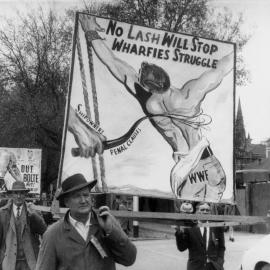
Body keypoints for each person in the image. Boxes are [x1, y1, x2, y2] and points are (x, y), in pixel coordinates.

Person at [79, 15, 233, 202]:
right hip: (210, 165)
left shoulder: (149, 102)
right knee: (202, 226)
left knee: (189, 227)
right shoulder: (190, 93)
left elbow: (112, 62)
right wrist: (236, 51)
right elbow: (222, 69)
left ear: (148, 87)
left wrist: (90, 31)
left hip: (186, 171)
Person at [35, 173, 137, 270]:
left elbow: (129, 259)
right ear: (66, 202)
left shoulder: (107, 224)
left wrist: (112, 231)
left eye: (86, 195)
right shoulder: (52, 234)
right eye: (77, 196)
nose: (83, 200)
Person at [0, 181, 47, 270]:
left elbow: (46, 233)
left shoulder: (33, 213)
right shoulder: (3, 214)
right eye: (16, 193)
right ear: (11, 195)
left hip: (29, 263)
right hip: (9, 263)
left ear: (25, 194)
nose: (18, 196)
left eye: (21, 193)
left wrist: (41, 251)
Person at [175, 202, 225, 270]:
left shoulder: (216, 226)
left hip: (214, 267)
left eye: (207, 210)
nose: (205, 212)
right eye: (202, 210)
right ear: (196, 211)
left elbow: (222, 247)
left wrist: (220, 261)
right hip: (195, 267)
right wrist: (179, 233)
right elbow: (182, 248)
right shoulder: (190, 227)